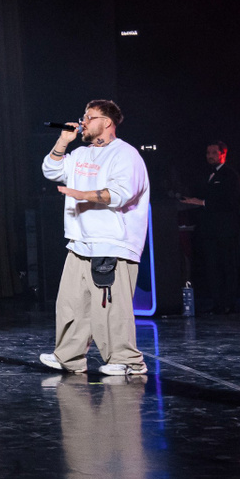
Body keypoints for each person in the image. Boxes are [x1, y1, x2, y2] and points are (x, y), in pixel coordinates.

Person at [41, 100, 150, 377]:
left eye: (90, 117)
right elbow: (51, 170)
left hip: (112, 241)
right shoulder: (80, 154)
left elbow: (121, 194)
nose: (83, 122)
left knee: (110, 306)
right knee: (71, 303)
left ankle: (128, 361)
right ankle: (69, 357)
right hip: (80, 241)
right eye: (84, 117)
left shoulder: (126, 155)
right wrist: (63, 141)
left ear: (107, 122)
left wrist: (82, 195)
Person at [180, 139, 240, 314]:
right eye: (208, 153)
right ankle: (217, 302)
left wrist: (202, 202)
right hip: (209, 229)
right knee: (212, 266)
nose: (210, 156)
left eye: (214, 153)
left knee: (227, 265)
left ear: (223, 154)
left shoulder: (230, 175)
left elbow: (229, 200)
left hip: (225, 230)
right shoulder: (207, 175)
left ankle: (229, 303)